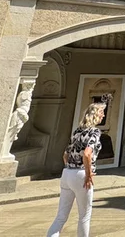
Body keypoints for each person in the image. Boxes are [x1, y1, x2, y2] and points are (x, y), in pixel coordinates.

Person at [46, 101, 105, 237]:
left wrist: (70, 166)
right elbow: (87, 154)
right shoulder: (94, 132)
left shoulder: (77, 131)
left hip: (67, 173)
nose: (103, 116)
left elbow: (65, 154)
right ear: (95, 115)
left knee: (61, 216)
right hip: (80, 174)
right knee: (84, 216)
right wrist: (89, 174)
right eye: (101, 113)